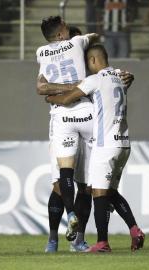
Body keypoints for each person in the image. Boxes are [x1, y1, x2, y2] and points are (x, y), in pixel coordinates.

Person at [41, 44, 145, 253]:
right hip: (123, 143)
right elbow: (125, 81)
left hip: (104, 144)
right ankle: (135, 230)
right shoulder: (120, 76)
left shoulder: (95, 80)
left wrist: (50, 97)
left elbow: (68, 98)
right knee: (110, 192)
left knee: (97, 192)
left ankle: (102, 243)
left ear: (93, 61)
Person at [36, 16, 99, 252]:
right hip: (75, 115)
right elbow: (41, 88)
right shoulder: (77, 47)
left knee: (82, 186)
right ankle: (54, 239)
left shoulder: (43, 52)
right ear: (63, 35)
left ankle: (76, 240)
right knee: (61, 186)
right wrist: (77, 86)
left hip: (69, 116)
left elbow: (42, 88)